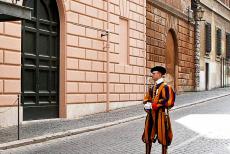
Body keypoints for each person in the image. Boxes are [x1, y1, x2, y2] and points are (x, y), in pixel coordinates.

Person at [142, 66, 175, 154]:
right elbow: (146, 98)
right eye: (152, 73)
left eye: (154, 73)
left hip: (161, 115)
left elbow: (169, 101)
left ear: (159, 74)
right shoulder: (152, 87)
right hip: (151, 116)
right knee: (148, 135)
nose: (152, 75)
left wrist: (156, 105)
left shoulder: (166, 87)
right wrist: (146, 104)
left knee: (164, 137)